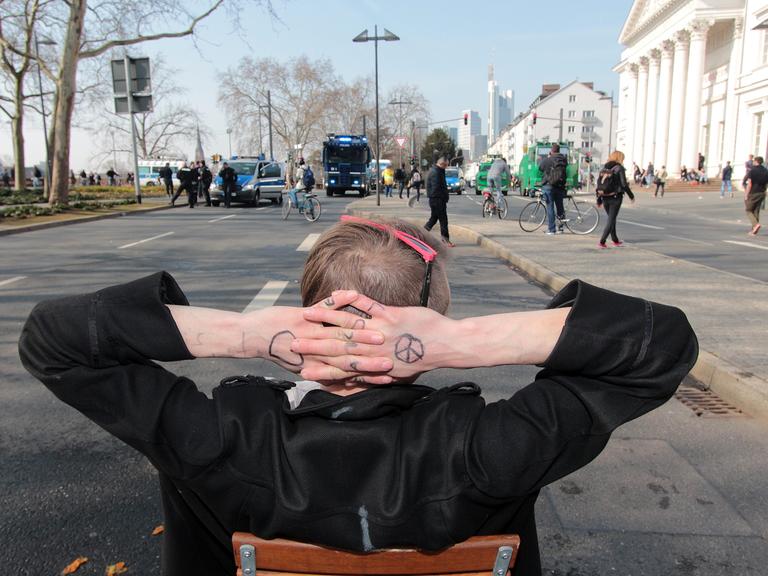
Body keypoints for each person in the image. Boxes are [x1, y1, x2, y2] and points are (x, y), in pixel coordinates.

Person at [19, 215, 699, 576]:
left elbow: (54, 339)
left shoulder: (220, 438)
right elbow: (661, 345)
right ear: (426, 319)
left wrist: (248, 332)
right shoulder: (489, 448)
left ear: (306, 310)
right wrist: (461, 343)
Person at [597, 150, 635, 248]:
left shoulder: (604, 168)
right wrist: (631, 196)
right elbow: (624, 184)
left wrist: (599, 199)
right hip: (615, 197)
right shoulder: (619, 168)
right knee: (611, 220)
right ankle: (602, 241)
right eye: (623, 158)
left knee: (611, 218)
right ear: (619, 158)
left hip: (605, 197)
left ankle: (615, 240)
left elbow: (600, 184)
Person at [538, 142, 568, 235]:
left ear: (551, 151)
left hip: (549, 185)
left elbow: (540, 168)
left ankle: (551, 229)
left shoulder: (548, 159)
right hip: (560, 186)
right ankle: (561, 228)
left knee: (550, 207)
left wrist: (548, 157)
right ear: (559, 150)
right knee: (560, 207)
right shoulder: (564, 160)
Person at [424, 156, 454, 247]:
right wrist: (442, 198)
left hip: (436, 199)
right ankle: (445, 239)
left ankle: (422, 233)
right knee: (443, 220)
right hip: (437, 199)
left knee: (433, 219)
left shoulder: (438, 170)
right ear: (442, 164)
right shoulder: (436, 172)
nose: (446, 167)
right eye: (446, 165)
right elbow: (436, 188)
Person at [744, 155, 768, 235]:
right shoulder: (766, 171)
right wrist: (765, 191)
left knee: (748, 210)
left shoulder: (752, 170)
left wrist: (746, 194)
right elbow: (766, 183)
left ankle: (756, 225)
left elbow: (750, 184)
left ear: (756, 161)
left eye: (754, 161)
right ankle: (754, 230)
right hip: (761, 193)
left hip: (753, 192)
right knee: (756, 210)